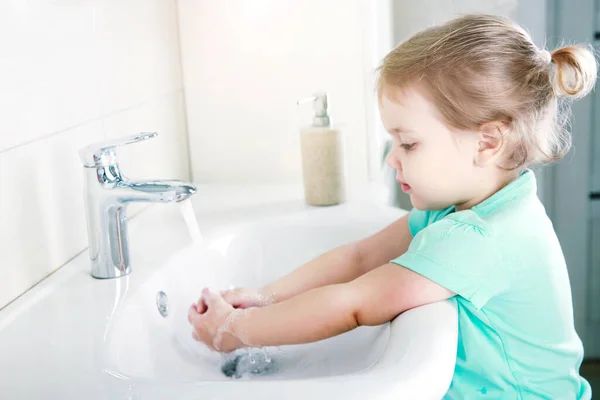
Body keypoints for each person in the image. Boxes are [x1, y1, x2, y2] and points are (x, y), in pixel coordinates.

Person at [188, 14, 596, 399]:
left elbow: (354, 304)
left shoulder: (480, 238)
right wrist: (264, 297)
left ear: (487, 142)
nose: (392, 158)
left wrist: (235, 329)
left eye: (409, 143)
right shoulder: (468, 204)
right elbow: (359, 257)